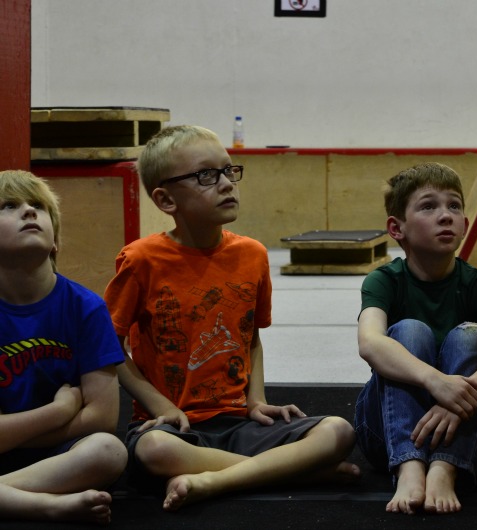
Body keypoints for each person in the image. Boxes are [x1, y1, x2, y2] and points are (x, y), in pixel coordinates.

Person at [103, 125, 360, 512]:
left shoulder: (253, 255)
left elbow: (251, 337)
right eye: (206, 175)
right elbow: (108, 345)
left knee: (338, 431)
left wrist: (256, 400)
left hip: (240, 423)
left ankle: (216, 480)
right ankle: (296, 473)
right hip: (178, 428)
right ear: (165, 199)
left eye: (228, 170)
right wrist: (161, 408)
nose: (226, 183)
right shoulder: (141, 260)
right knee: (153, 449)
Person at [355, 162, 477, 515]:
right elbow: (370, 342)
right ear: (396, 228)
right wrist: (436, 381)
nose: (445, 215)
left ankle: (445, 467)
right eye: (428, 206)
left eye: (454, 206)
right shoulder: (384, 280)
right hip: (384, 431)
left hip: (457, 429)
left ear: (465, 225)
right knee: (410, 330)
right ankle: (409, 465)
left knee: (472, 337)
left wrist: (453, 399)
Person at [0, 170, 127, 525]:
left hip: (60, 457)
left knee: (108, 451)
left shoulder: (86, 307)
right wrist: (56, 413)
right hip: (51, 440)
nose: (28, 211)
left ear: (55, 240)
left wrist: (13, 435)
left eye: (38, 206)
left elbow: (102, 419)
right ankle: (45, 506)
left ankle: (7, 495)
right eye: (9, 206)